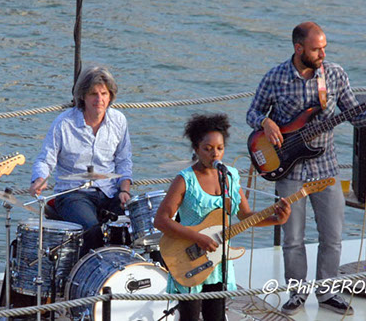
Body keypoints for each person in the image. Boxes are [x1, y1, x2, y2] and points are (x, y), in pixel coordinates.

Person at [246, 22, 366, 316]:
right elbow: (252, 112)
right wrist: (265, 122)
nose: (322, 53)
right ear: (298, 48)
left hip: (326, 169)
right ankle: (297, 294)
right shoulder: (275, 77)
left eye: (324, 47)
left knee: (332, 236)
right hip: (287, 170)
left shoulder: (335, 75)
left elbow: (355, 115)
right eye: (316, 49)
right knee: (292, 239)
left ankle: (327, 294)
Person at [154, 113, 291, 321]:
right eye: (207, 149)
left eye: (219, 148)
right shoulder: (185, 180)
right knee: (189, 317)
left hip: (219, 261)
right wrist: (197, 237)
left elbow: (245, 215)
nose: (214, 155)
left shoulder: (230, 177)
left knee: (216, 317)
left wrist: (276, 219)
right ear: (196, 149)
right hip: (189, 256)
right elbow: (161, 220)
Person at [29, 66, 133, 256]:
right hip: (73, 193)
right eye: (93, 94)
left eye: (104, 93)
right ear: (83, 96)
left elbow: (124, 161)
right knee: (91, 229)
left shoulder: (119, 120)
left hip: (110, 192)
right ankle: (88, 277)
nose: (99, 99)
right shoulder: (64, 123)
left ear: (110, 96)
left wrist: (124, 190)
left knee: (132, 224)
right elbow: (46, 159)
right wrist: (39, 180)